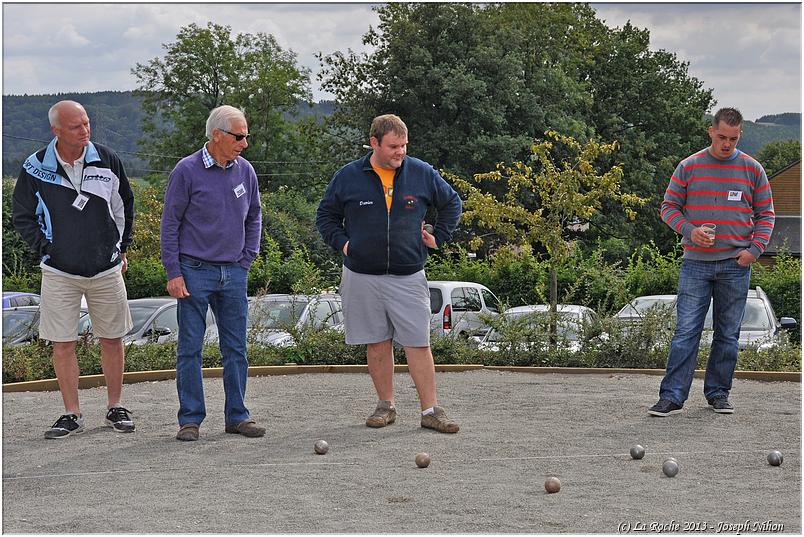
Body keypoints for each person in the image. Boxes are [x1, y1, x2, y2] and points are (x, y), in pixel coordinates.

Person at [316, 114, 463, 433]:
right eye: (394, 146)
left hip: (408, 274)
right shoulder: (348, 176)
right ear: (374, 143)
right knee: (377, 341)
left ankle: (430, 410)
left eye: (404, 145)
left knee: (418, 342)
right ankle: (386, 406)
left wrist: (439, 235)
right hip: (361, 275)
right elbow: (325, 215)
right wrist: (342, 244)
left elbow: (452, 203)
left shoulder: (422, 173)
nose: (401, 152)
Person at [12, 100, 136, 439]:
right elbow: (21, 216)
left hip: (106, 268)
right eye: (76, 126)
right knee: (62, 342)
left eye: (86, 123)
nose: (85, 130)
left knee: (112, 338)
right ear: (56, 130)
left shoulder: (107, 159)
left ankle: (115, 406)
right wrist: (47, 248)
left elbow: (124, 204)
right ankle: (71, 412)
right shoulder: (35, 166)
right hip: (59, 272)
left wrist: (121, 248)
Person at [649, 107, 775, 417]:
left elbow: (767, 215)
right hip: (696, 263)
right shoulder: (689, 167)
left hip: (736, 263)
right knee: (686, 331)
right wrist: (690, 231)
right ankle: (672, 397)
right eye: (721, 137)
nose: (727, 144)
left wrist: (755, 250)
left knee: (728, 334)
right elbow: (668, 208)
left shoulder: (752, 169)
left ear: (740, 135)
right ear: (711, 131)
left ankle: (718, 393)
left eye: (733, 138)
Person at [160, 105, 264, 441]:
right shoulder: (186, 171)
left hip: (234, 272)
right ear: (216, 135)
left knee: (236, 348)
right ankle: (190, 419)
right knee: (190, 348)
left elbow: (255, 217)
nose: (244, 143)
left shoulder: (245, 171)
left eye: (245, 135)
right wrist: (173, 272)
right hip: (194, 271)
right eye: (239, 136)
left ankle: (237, 416)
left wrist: (247, 258)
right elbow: (170, 223)